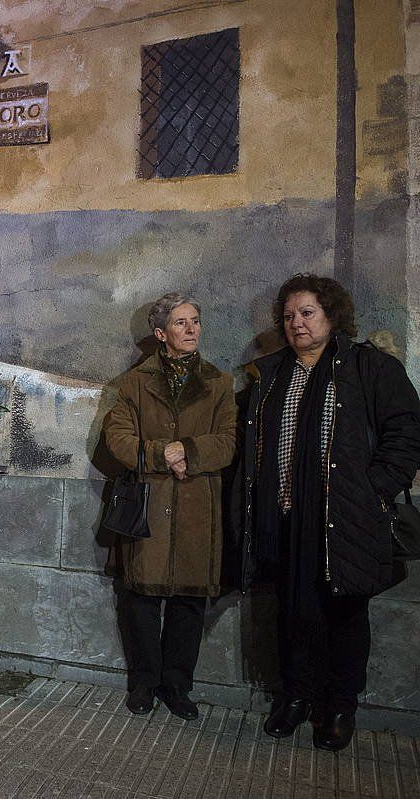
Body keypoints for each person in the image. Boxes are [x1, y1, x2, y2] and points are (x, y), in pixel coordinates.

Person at [240, 274, 420, 751]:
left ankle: (340, 706)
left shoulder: (368, 367)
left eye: (307, 313)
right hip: (286, 517)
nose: (296, 323)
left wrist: (374, 489)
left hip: (347, 519)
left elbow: (406, 431)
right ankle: (295, 698)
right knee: (293, 611)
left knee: (345, 613)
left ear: (332, 315)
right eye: (288, 316)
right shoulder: (274, 372)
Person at [102, 293, 236, 720]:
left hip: (199, 509)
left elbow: (229, 442)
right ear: (161, 334)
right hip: (150, 505)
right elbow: (118, 440)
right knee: (140, 599)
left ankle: (177, 686)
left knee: (188, 603)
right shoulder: (132, 384)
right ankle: (143, 683)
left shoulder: (220, 383)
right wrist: (164, 455)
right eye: (181, 323)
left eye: (195, 321)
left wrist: (189, 450)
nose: (192, 329)